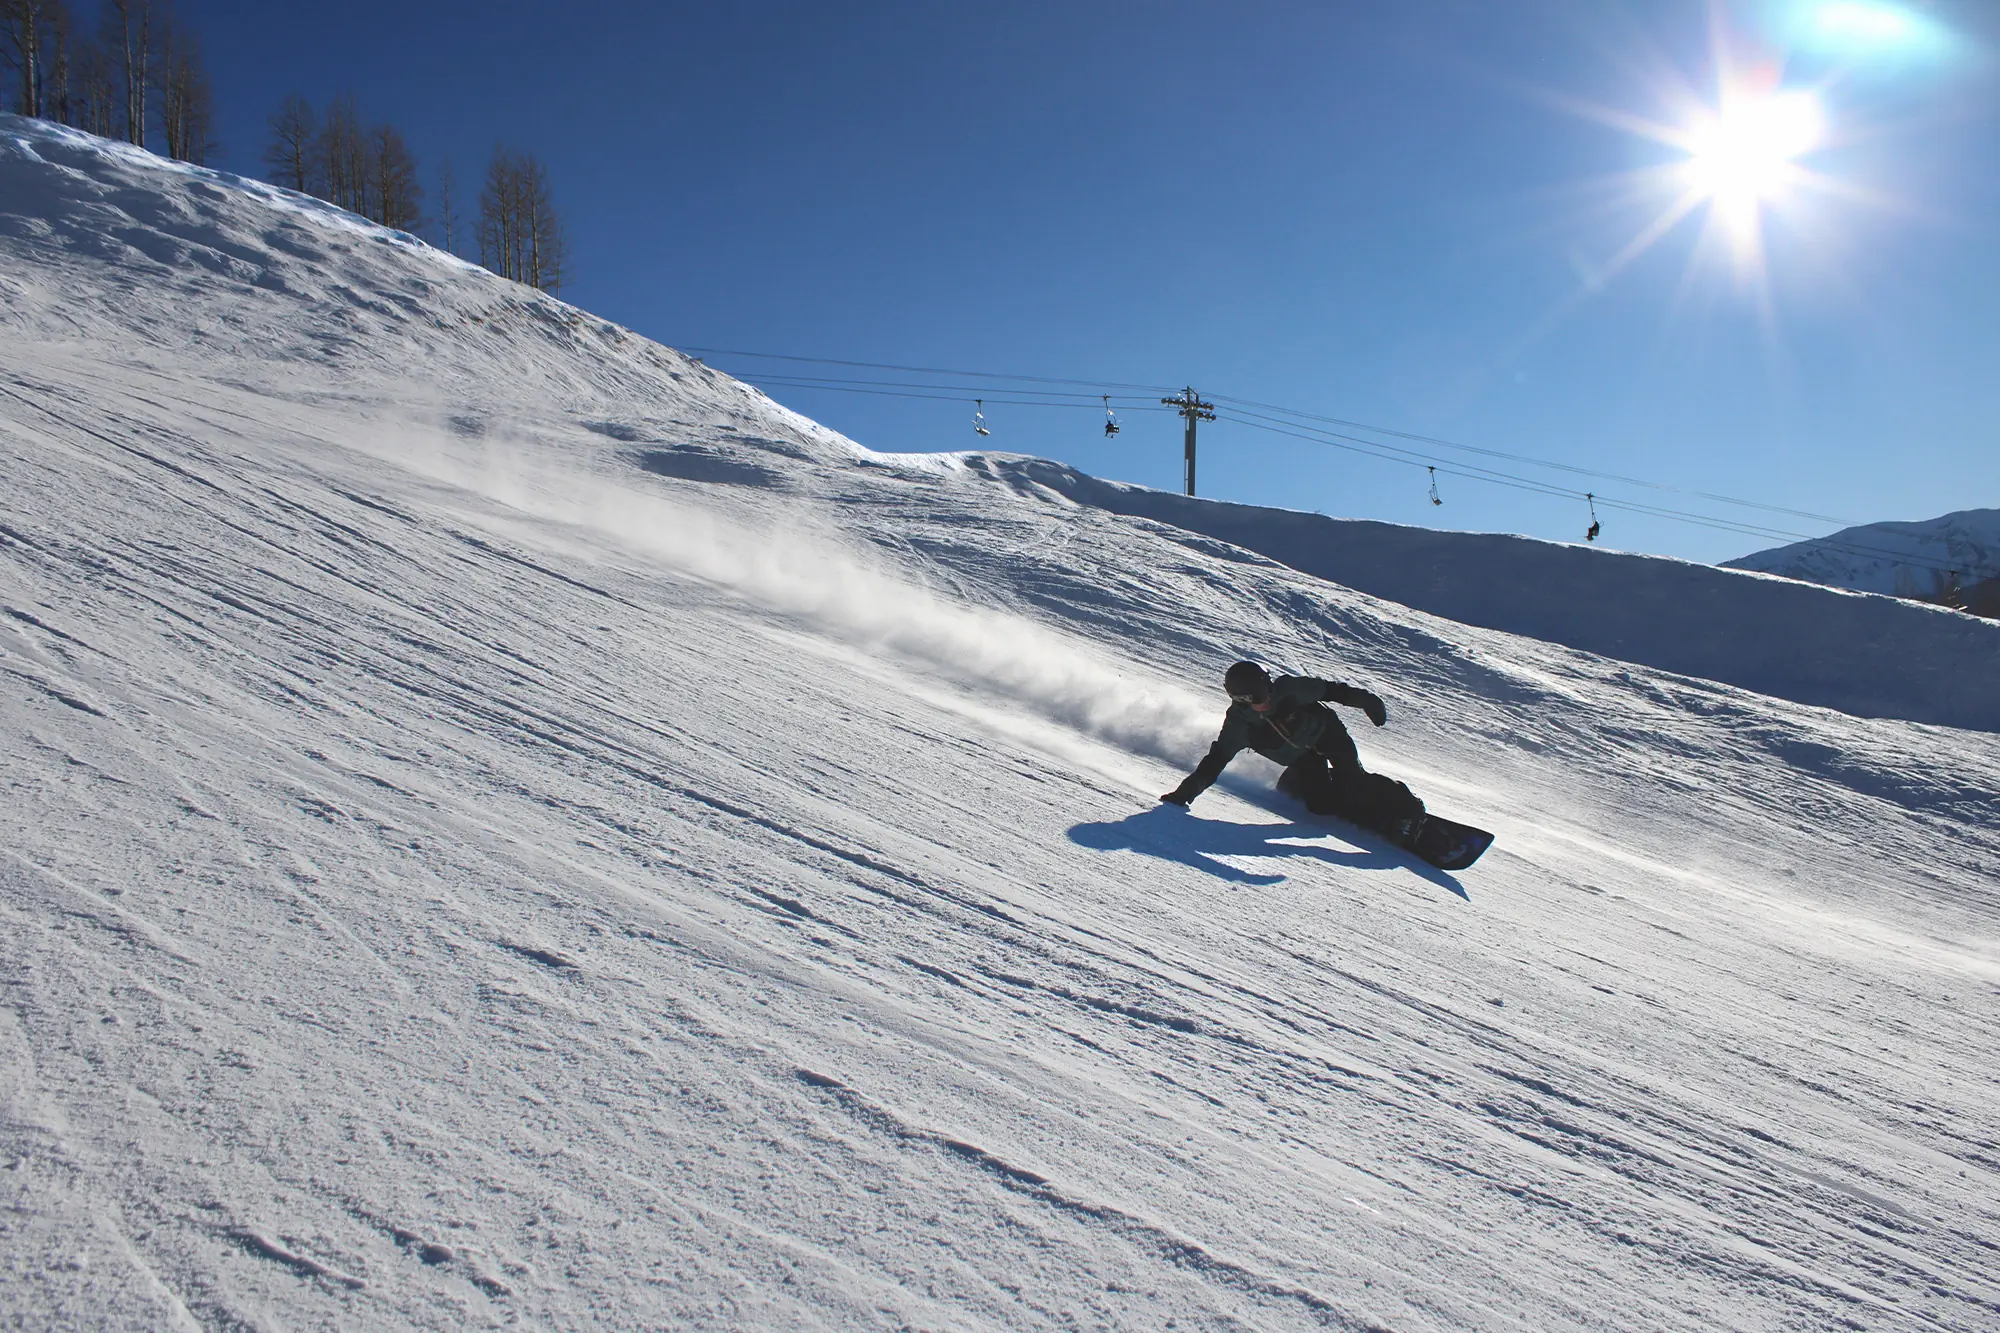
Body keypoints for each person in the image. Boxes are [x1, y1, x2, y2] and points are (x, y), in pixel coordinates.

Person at [1160, 660, 1428, 847]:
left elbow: (1334, 691)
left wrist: (1369, 702)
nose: (1262, 701)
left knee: (1353, 780)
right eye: (1252, 699)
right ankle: (1321, 788)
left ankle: (1409, 809)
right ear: (1239, 700)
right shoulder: (1238, 726)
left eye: (1264, 692)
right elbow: (1214, 763)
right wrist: (1184, 795)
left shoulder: (1289, 689)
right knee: (1319, 808)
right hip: (1302, 758)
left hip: (1327, 733)